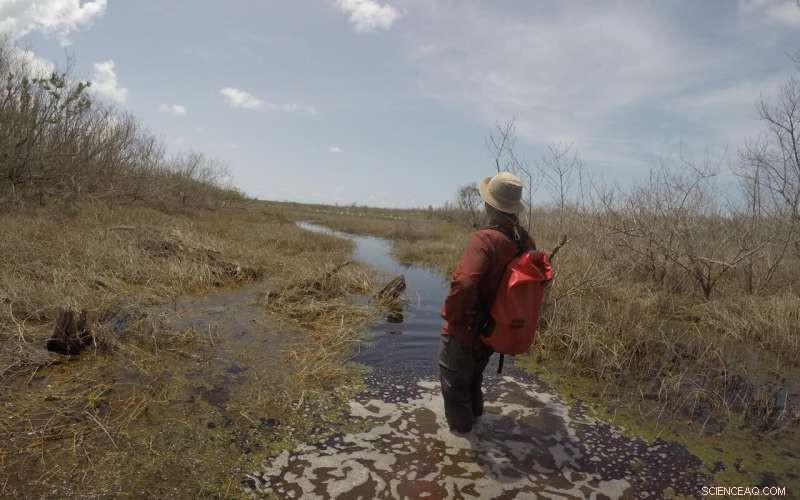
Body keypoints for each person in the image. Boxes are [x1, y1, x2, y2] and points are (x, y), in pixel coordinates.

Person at [438, 171, 536, 434]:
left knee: (455, 391)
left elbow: (466, 283)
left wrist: (452, 318)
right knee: (472, 381)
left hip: (465, 331)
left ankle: (462, 452)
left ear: (489, 204)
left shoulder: (484, 239)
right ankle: (478, 431)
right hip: (493, 330)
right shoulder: (525, 240)